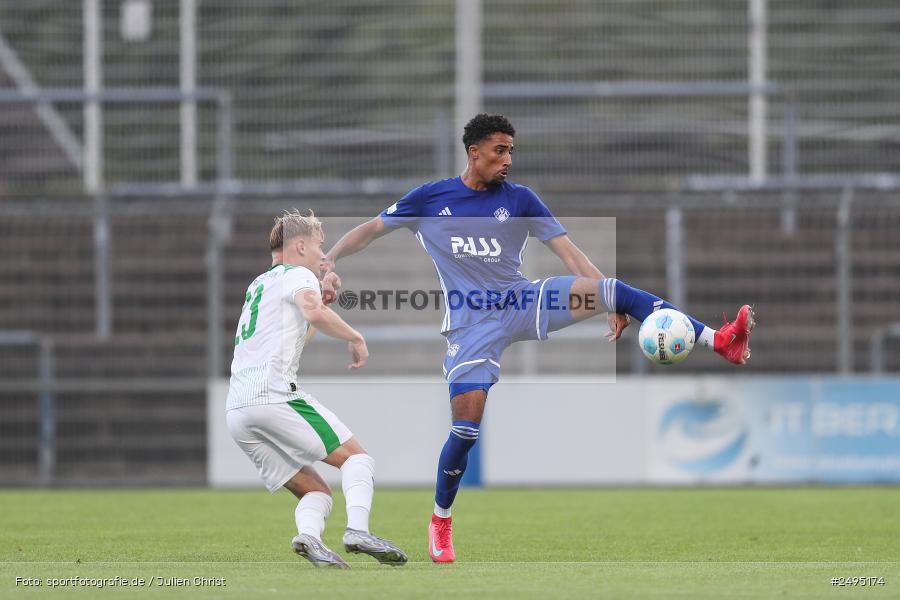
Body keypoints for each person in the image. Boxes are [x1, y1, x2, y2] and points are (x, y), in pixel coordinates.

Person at [321, 113, 755, 563]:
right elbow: (370, 230)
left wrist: (612, 305)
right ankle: (441, 518)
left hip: (524, 302)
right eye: (499, 150)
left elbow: (568, 253)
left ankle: (719, 340)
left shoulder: (521, 199)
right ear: (474, 152)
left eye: (511, 150)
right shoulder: (431, 199)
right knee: (466, 430)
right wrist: (330, 258)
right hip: (471, 327)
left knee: (615, 288)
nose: (508, 159)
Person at [226, 209, 407, 569]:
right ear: (300, 246)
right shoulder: (296, 274)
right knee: (358, 459)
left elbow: (301, 331)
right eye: (319, 248)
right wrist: (355, 336)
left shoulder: (260, 284)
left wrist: (323, 302)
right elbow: (311, 314)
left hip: (238, 411)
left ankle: (309, 537)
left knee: (315, 491)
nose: (323, 258)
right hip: (274, 396)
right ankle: (358, 530)